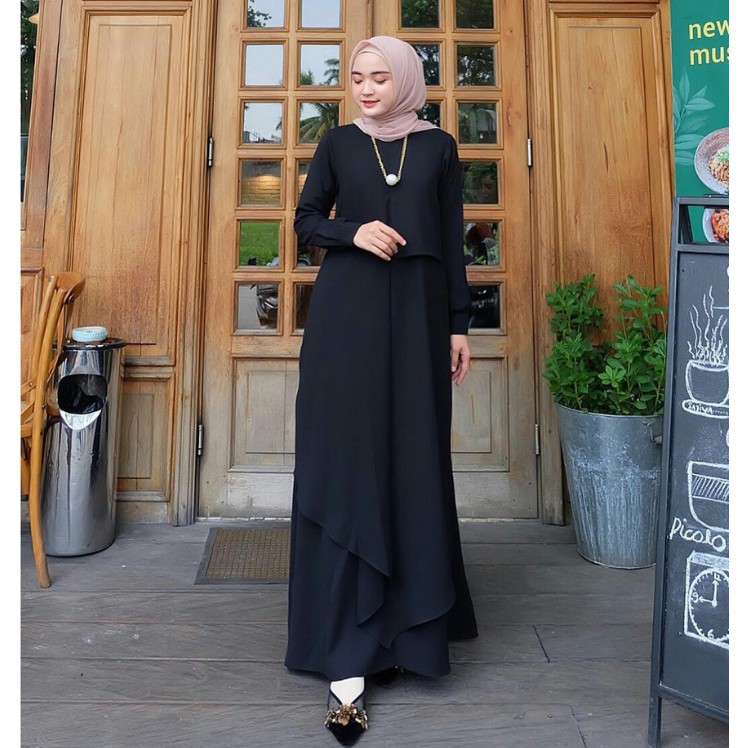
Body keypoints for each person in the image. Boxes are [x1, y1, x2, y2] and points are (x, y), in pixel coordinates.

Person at [285, 35, 478, 746]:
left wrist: (459, 325)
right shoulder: (338, 143)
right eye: (357, 78)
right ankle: (347, 657)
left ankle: (405, 634)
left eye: (379, 78)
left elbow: (452, 242)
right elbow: (304, 221)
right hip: (347, 327)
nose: (366, 89)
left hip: (421, 324)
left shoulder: (439, 148)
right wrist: (352, 231)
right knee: (351, 464)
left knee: (411, 463)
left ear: (404, 81)